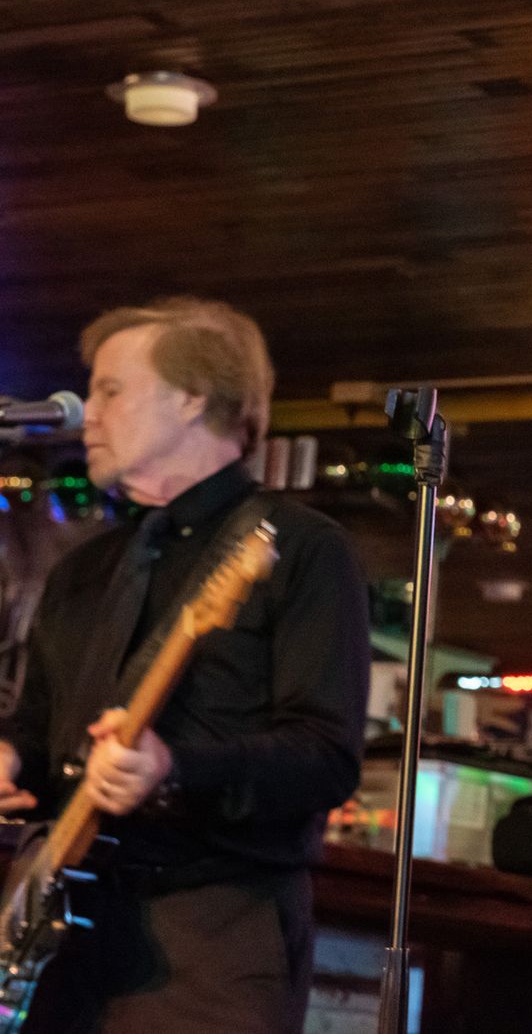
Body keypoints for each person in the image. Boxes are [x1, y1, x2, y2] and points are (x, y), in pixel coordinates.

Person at [0, 297, 371, 1033]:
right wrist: (11, 756)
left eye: (111, 390)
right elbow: (41, 731)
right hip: (59, 931)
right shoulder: (83, 570)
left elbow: (326, 757)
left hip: (211, 933)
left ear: (193, 397)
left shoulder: (301, 547)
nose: (87, 415)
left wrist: (174, 769)